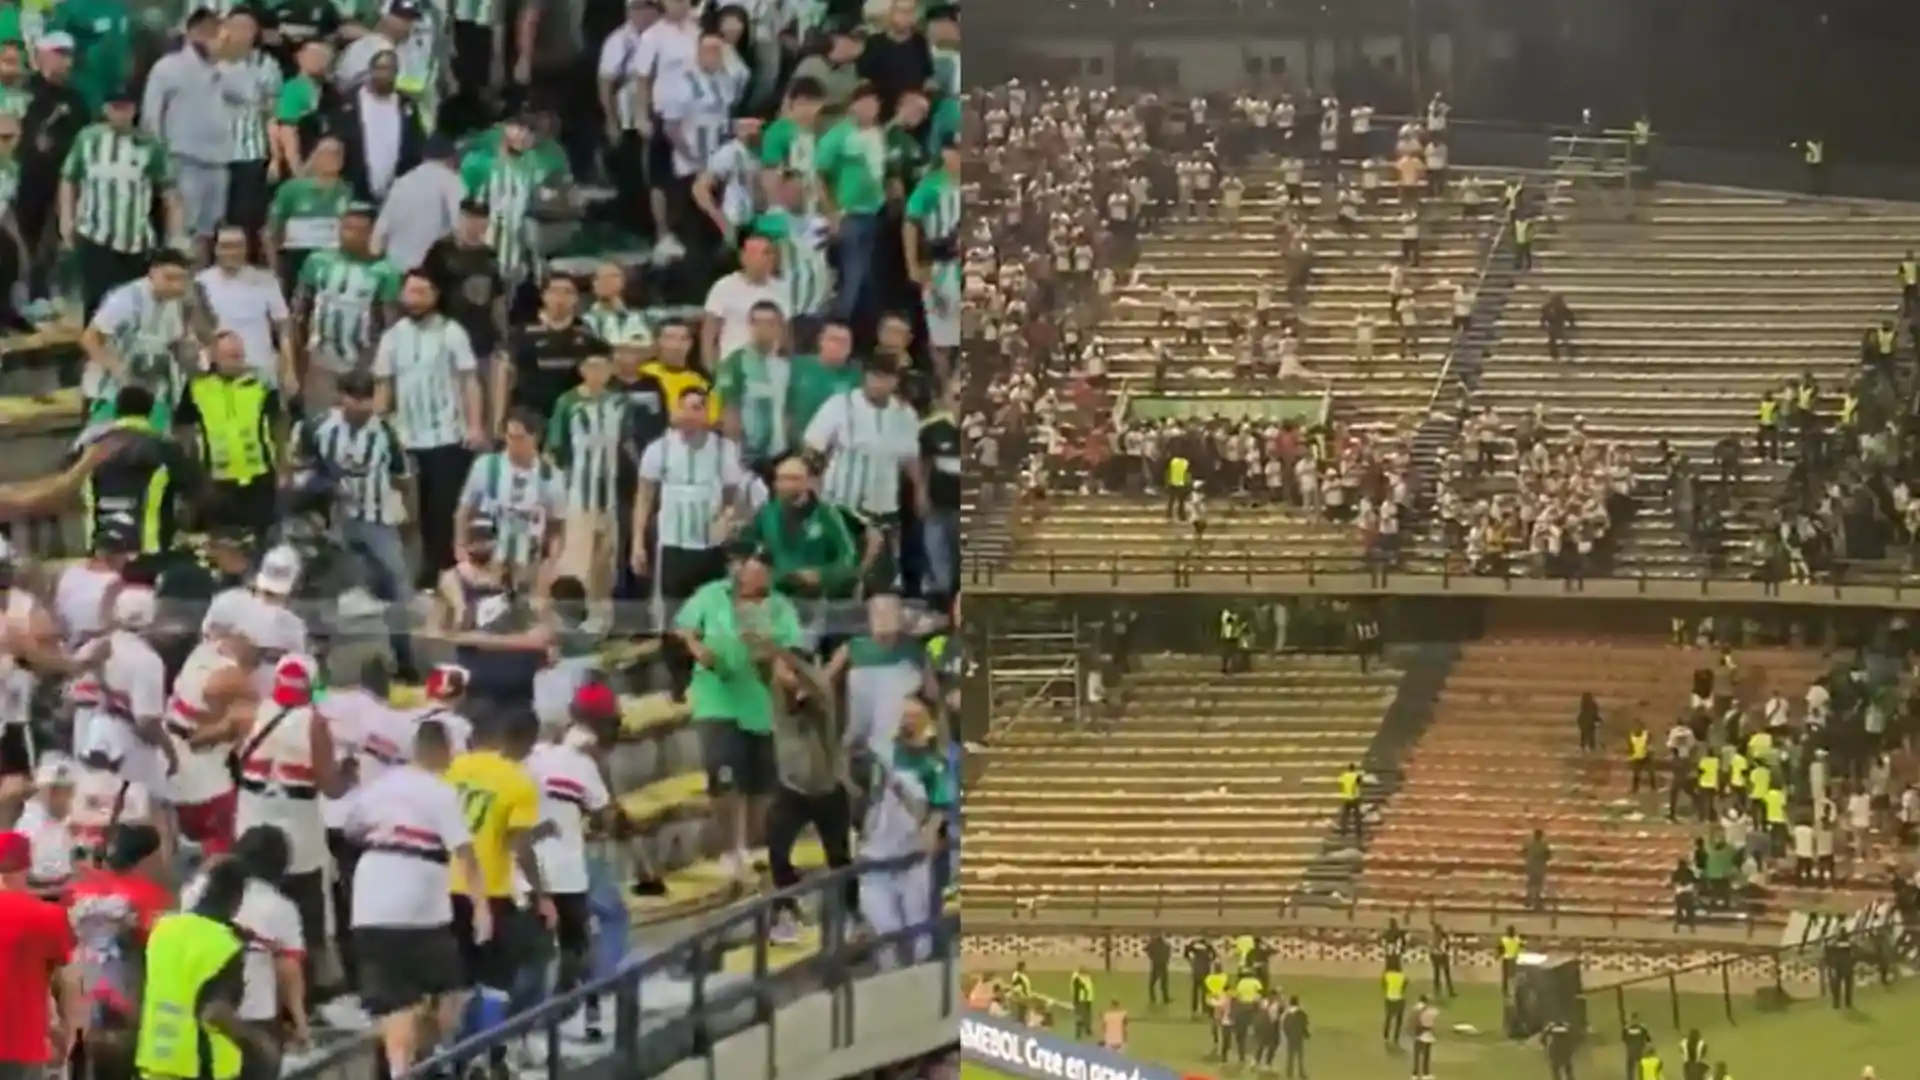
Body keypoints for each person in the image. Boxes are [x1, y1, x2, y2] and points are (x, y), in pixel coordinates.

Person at [341, 714, 484, 1071]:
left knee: (395, 1005)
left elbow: (351, 830)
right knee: (450, 994)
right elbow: (465, 853)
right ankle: (429, 1056)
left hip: (371, 902)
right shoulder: (442, 791)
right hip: (422, 908)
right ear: (444, 750)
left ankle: (400, 1068)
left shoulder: (379, 787)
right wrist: (481, 908)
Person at [676, 547, 803, 881]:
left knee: (761, 784)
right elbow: (684, 626)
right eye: (748, 574)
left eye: (761, 577)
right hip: (716, 699)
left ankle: (753, 845)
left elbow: (792, 650)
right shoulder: (711, 594)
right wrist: (698, 648)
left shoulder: (780, 607)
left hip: (761, 703)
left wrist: (770, 655)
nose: (752, 582)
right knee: (724, 774)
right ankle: (730, 848)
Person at [442, 708, 548, 1076]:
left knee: (456, 979)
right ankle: (484, 1055)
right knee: (494, 979)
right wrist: (541, 892)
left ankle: (451, 1057)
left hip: (443, 886)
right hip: (489, 890)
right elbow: (520, 846)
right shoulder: (516, 780)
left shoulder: (453, 769)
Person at [179, 825, 309, 1067]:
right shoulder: (280, 908)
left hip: (197, 1011)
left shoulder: (194, 893)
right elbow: (287, 971)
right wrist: (299, 1024)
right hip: (254, 1019)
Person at [134, 860, 275, 1080]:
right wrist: (258, 1043)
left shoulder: (163, 929)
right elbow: (215, 1012)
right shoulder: (225, 945)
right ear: (238, 899)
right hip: (201, 1067)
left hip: (155, 1064)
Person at [61, 84, 182, 317]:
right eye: (115, 107)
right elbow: (69, 178)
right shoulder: (87, 139)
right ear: (106, 109)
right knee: (97, 305)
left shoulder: (150, 145)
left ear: (134, 110)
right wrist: (66, 220)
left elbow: (169, 192)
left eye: (125, 108)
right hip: (95, 235)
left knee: (135, 305)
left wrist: (174, 236)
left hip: (136, 240)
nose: (121, 113)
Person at [176, 331, 283, 538]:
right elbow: (183, 431)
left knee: (260, 539)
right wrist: (190, 473)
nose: (238, 361)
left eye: (240, 355)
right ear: (214, 357)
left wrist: (283, 464)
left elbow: (278, 423)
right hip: (216, 479)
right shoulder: (197, 388)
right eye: (231, 356)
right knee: (219, 541)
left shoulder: (261, 384)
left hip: (259, 476)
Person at [0, 829, 80, 1080]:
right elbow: (68, 982)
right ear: (27, 865)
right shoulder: (47, 917)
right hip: (22, 1045)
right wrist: (68, 1032)